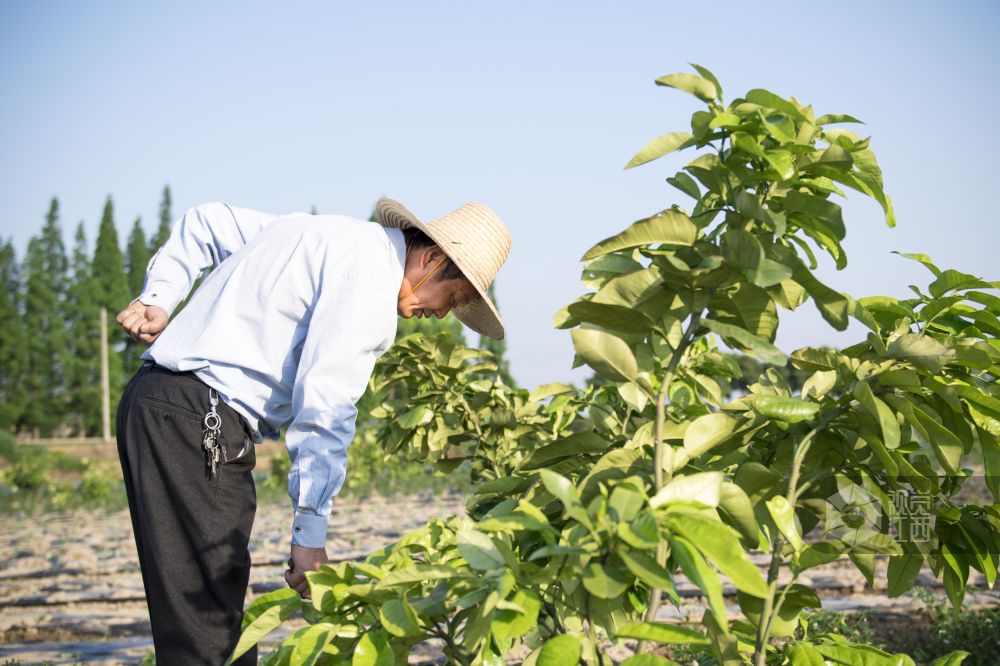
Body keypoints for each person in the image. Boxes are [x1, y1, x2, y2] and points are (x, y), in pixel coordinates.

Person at [114, 197, 511, 664]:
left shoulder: (319, 234)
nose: (443, 314)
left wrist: (158, 295)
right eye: (455, 297)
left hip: (157, 405)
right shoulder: (369, 280)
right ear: (433, 260)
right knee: (210, 627)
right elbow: (325, 408)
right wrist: (309, 539)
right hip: (198, 419)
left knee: (191, 614)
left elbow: (209, 221)